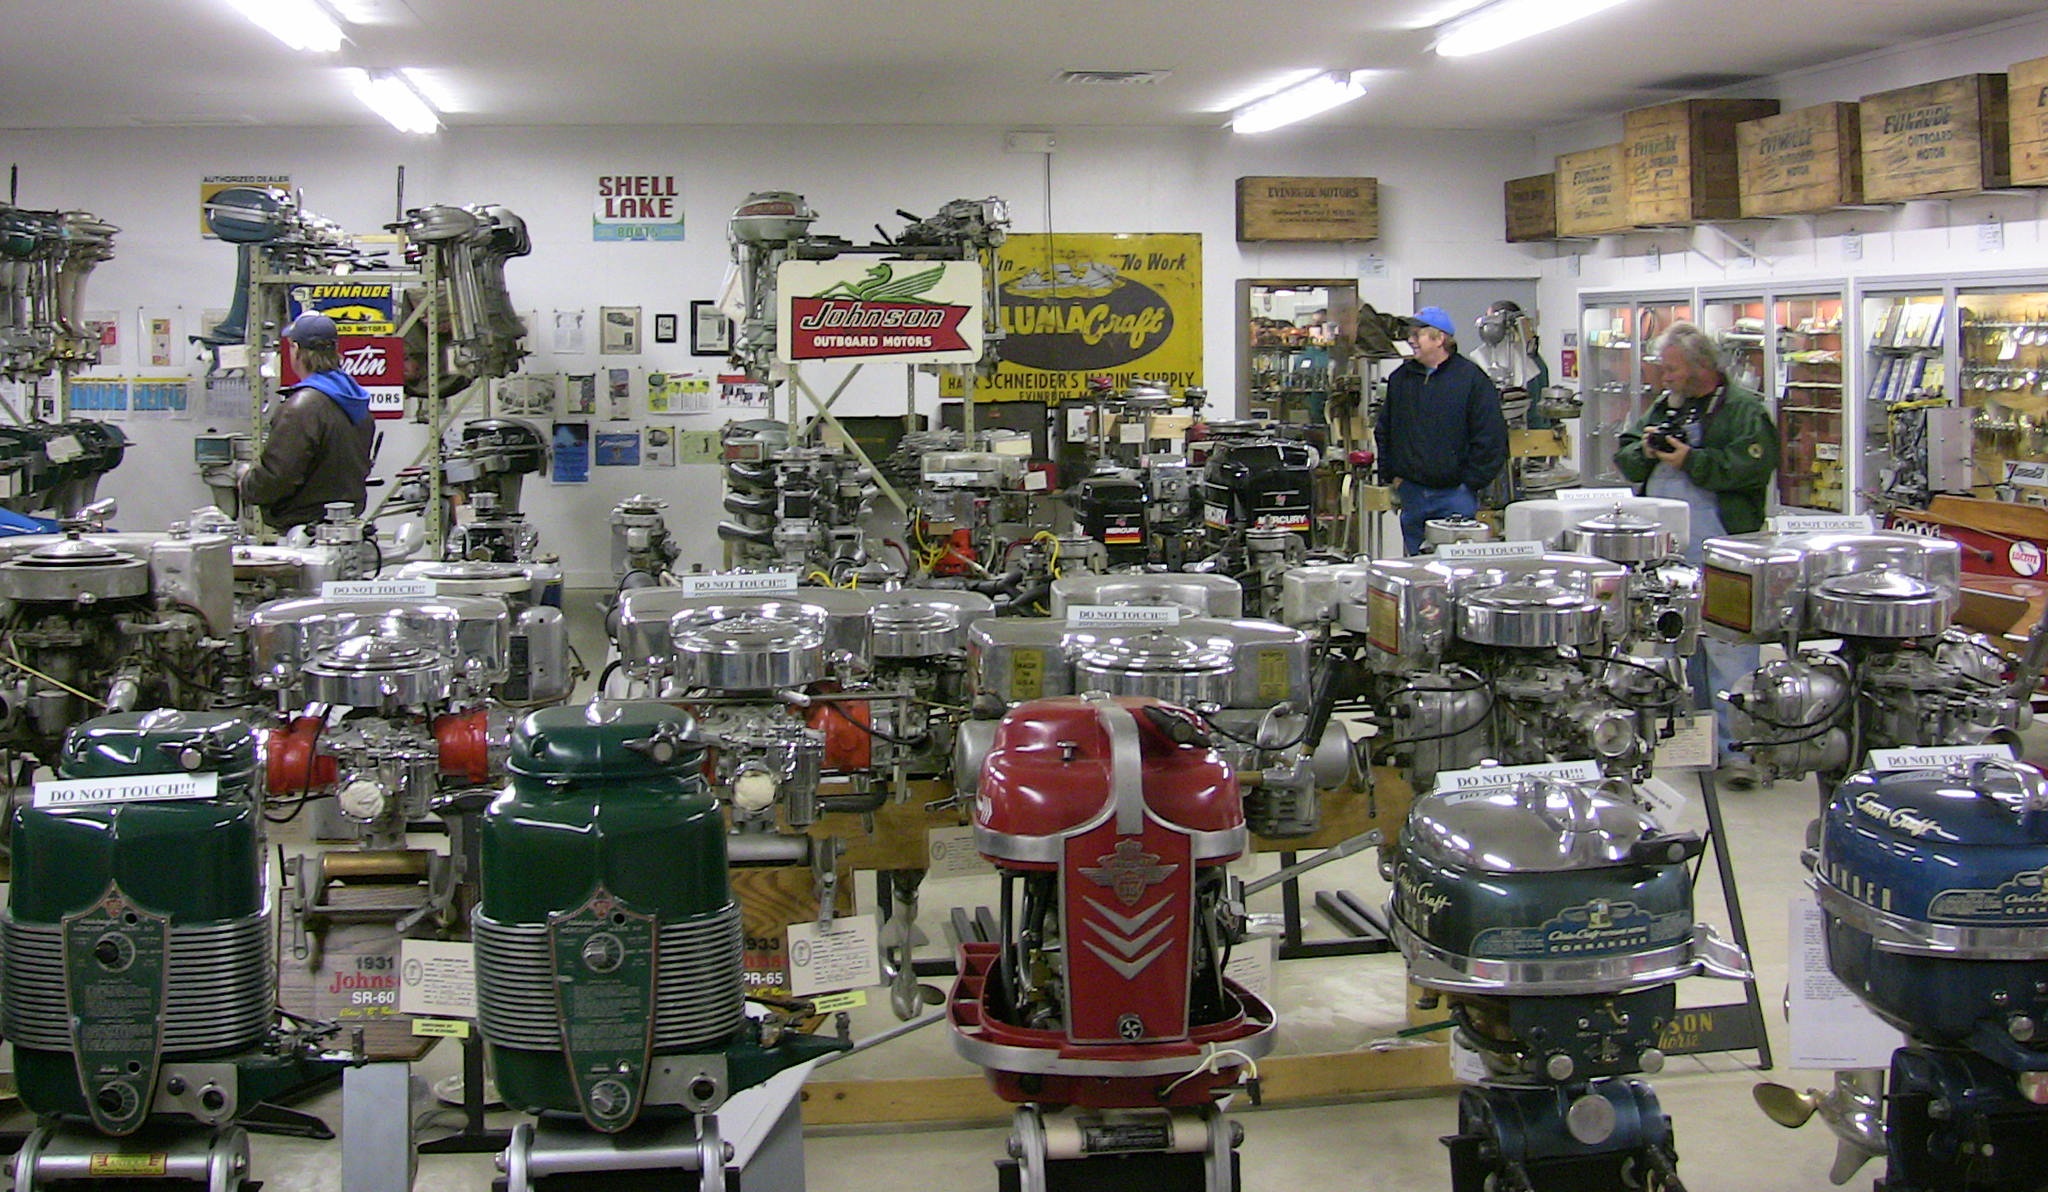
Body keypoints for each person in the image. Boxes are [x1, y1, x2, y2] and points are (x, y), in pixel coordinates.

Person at [1614, 321, 1780, 788]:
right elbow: (1625, 454)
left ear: (1701, 366)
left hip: (1725, 548)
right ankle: (1696, 741)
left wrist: (1692, 461)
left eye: (1671, 368)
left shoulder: (1744, 411)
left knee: (1730, 649)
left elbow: (1751, 468)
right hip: (1669, 553)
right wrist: (1647, 451)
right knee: (1679, 647)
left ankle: (1739, 749)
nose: (1663, 376)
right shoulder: (1666, 405)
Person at [1377, 305, 1508, 555]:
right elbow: (1385, 430)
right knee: (1417, 567)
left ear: (1439, 339)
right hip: (1412, 494)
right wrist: (1392, 476)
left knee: (1454, 566)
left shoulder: (1471, 379)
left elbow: (1491, 437)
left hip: (1455, 496)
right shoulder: (1400, 380)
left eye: (1417, 334)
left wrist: (1470, 482)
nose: (1411, 340)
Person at [238, 312, 376, 531]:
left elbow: (277, 477)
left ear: (295, 350)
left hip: (304, 529)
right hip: (345, 523)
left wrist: (247, 481)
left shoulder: (301, 408)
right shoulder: (353, 398)